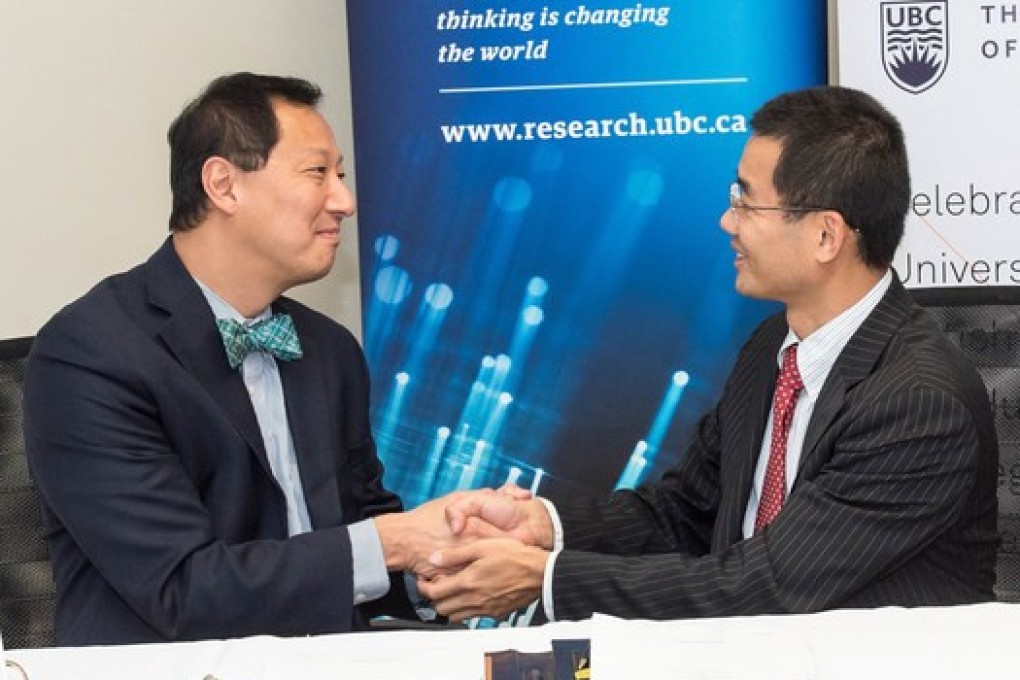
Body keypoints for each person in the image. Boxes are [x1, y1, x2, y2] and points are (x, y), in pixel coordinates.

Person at [417, 85, 1000, 623]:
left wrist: (546, 581)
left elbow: (767, 588)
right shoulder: (772, 348)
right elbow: (686, 514)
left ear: (827, 235)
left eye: (749, 204)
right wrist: (543, 526)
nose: (727, 221)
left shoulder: (919, 401)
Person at [23, 72, 456, 646]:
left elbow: (362, 538)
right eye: (318, 172)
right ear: (224, 185)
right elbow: (181, 587)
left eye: (342, 175)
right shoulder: (90, 352)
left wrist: (447, 557)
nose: (345, 201)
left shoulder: (329, 349)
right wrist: (397, 541)